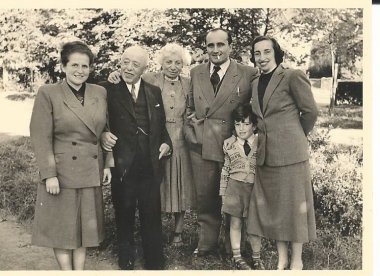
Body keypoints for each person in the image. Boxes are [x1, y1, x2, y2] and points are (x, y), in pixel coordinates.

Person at [29, 41, 113, 270]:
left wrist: (107, 164)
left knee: (85, 228)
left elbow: (105, 130)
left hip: (90, 170)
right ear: (63, 66)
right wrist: (49, 175)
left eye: (85, 66)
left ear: (91, 68)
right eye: (74, 65)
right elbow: (40, 135)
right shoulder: (48, 93)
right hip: (62, 174)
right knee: (63, 229)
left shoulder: (100, 91)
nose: (80, 71)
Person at [107, 43, 195, 247]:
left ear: (183, 64)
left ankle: (178, 232)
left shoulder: (189, 83)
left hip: (180, 140)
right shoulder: (149, 79)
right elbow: (128, 78)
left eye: (178, 62)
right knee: (157, 186)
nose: (173, 66)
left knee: (179, 183)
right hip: (154, 140)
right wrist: (115, 74)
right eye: (168, 62)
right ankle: (153, 231)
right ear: (160, 63)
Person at [184, 28, 259, 257]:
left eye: (220, 45)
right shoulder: (196, 72)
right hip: (202, 144)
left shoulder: (248, 73)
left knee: (235, 196)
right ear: (205, 48)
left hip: (233, 145)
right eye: (210, 46)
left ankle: (233, 245)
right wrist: (195, 128)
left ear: (230, 46)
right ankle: (206, 243)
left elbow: (258, 105)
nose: (215, 50)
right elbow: (189, 106)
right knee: (206, 195)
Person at [246, 35, 318, 270]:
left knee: (295, 208)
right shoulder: (255, 82)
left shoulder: (291, 75)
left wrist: (295, 136)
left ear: (276, 53)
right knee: (277, 207)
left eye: (267, 51)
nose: (262, 57)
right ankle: (282, 259)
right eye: (257, 53)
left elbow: (310, 112)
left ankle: (296, 260)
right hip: (266, 155)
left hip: (291, 154)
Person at [100, 45, 172, 270]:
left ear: (145, 68)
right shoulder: (107, 89)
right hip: (123, 164)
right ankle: (126, 258)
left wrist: (166, 144)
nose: (128, 68)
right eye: (125, 62)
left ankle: (154, 261)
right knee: (124, 212)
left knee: (151, 213)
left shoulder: (153, 91)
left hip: (150, 164)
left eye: (135, 64)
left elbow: (160, 127)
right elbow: (96, 119)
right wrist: (103, 134)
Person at [219, 103, 258, 270]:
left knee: (254, 224)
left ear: (254, 125)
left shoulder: (260, 142)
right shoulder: (230, 145)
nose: (241, 128)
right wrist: (223, 193)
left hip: (254, 190)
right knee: (235, 222)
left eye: (246, 123)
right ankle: (237, 256)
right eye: (237, 124)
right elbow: (225, 170)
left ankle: (257, 257)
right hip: (234, 189)